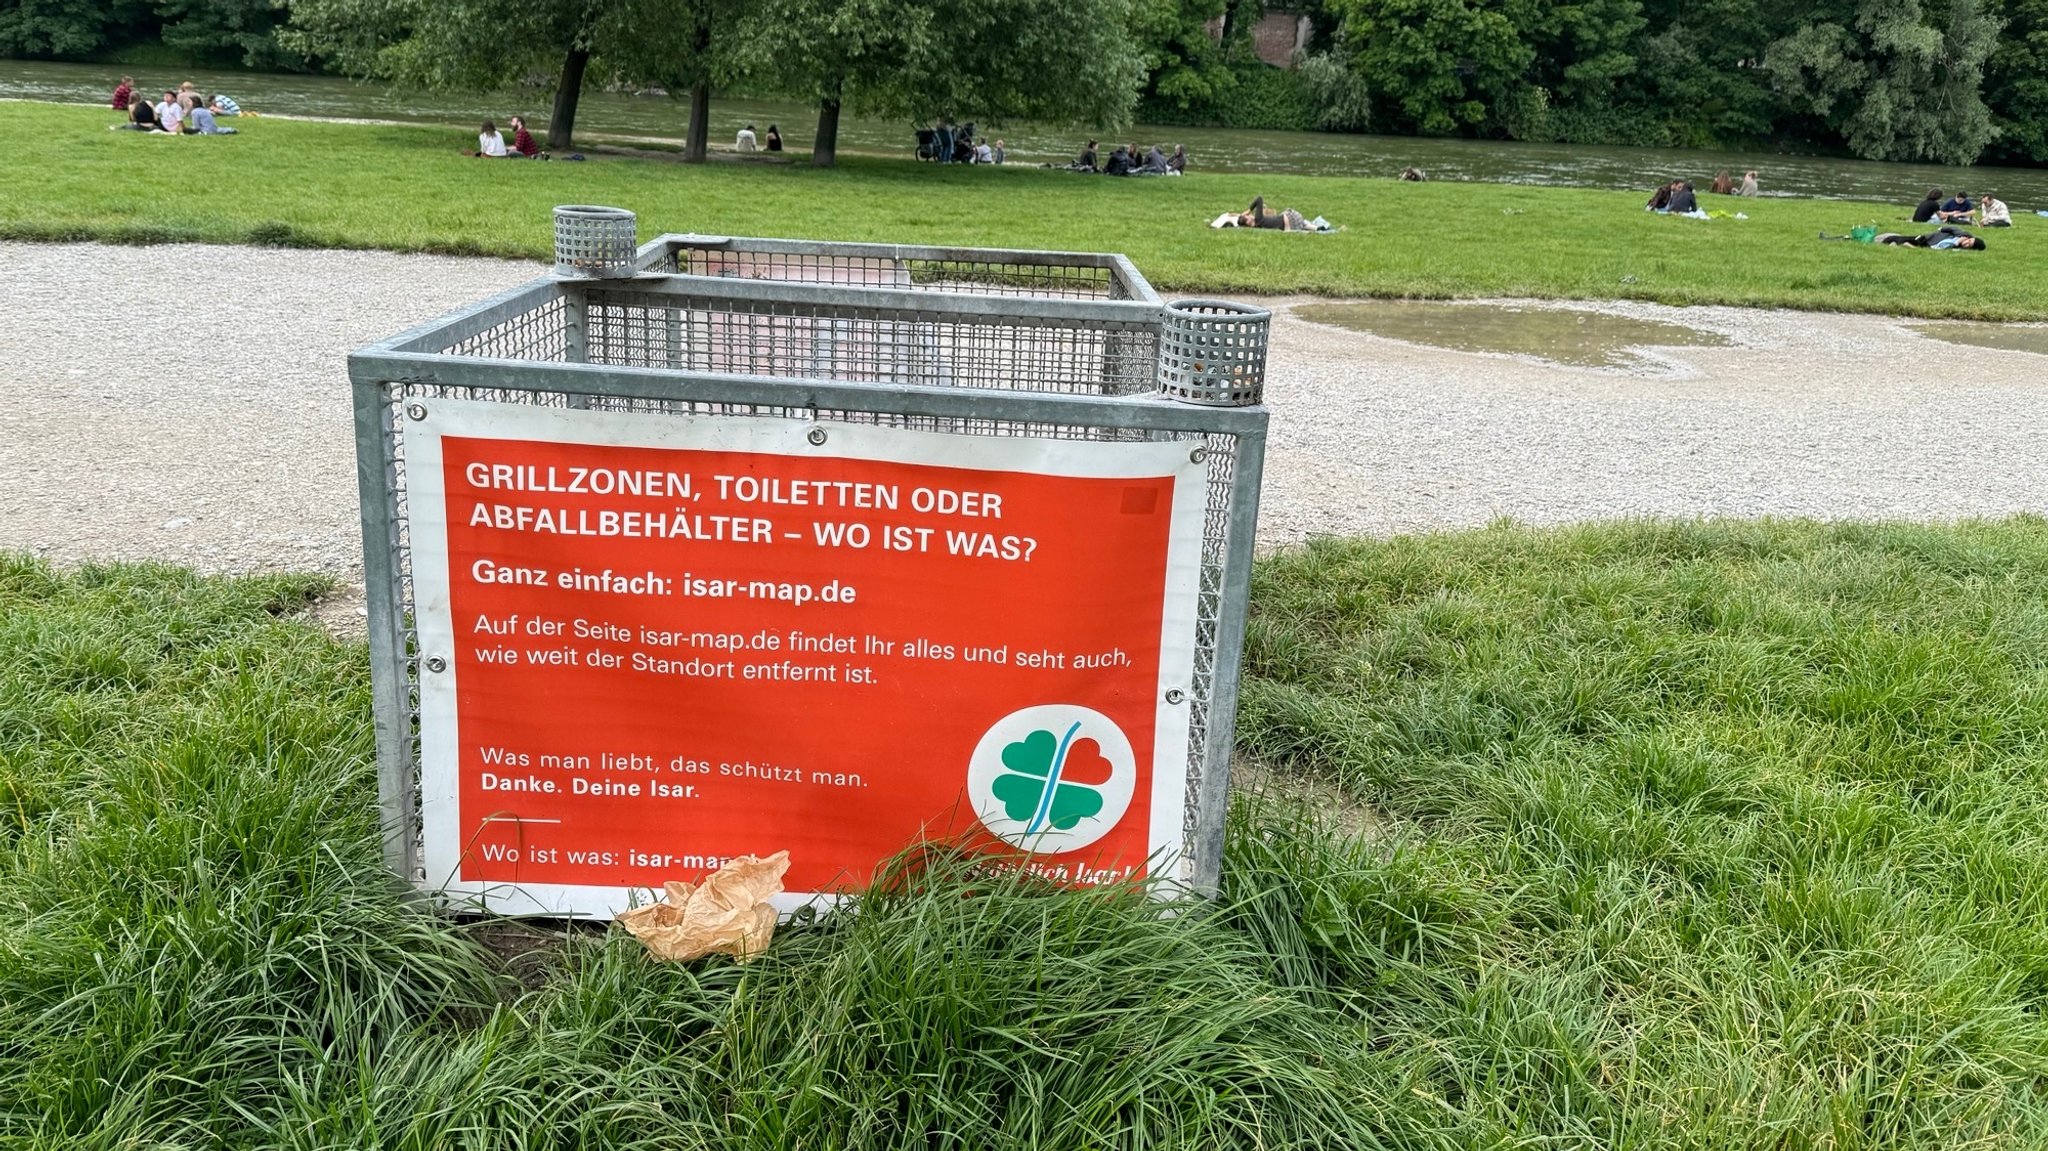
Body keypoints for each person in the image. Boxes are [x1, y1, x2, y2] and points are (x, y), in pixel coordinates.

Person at [1876, 226, 1986, 250]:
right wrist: (1941, 229)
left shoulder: (1959, 248)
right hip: (1928, 239)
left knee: (1902, 241)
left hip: (1929, 245)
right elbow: (1951, 228)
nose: (1966, 243)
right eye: (1969, 241)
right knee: (1896, 239)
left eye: (1969, 245)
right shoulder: (1963, 234)